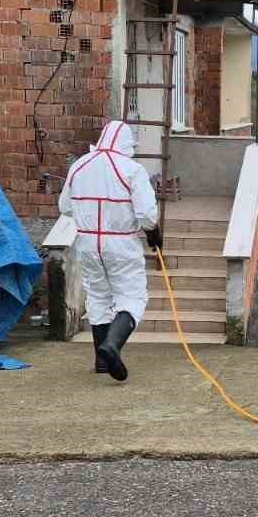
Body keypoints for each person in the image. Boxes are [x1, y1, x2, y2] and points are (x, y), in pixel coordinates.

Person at [58, 120, 162, 381]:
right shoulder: (132, 170)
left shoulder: (79, 166)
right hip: (121, 243)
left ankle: (101, 361)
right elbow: (147, 215)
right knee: (133, 297)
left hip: (87, 242)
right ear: (128, 144)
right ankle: (112, 346)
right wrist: (153, 233)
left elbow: (65, 207)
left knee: (98, 296)